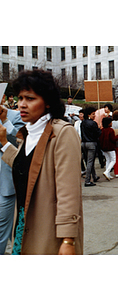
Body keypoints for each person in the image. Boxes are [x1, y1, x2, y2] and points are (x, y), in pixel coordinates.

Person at [0, 69, 83, 254]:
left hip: (48, 230)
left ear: (47, 103)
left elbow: (68, 191)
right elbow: (29, 168)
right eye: (20, 98)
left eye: (30, 99)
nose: (21, 104)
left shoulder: (62, 132)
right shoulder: (27, 132)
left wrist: (68, 240)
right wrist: (4, 142)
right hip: (22, 223)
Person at [0, 105, 25, 254]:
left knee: (3, 229)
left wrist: (5, 121)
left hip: (5, 182)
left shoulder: (15, 116)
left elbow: (21, 141)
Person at [81, 106, 101, 187]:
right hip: (91, 143)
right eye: (93, 114)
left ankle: (94, 176)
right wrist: (99, 129)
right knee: (90, 162)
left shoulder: (83, 123)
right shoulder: (93, 123)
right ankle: (87, 180)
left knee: (89, 161)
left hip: (83, 143)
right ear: (89, 114)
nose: (94, 116)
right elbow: (97, 134)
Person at [74, 109, 86, 176]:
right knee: (80, 156)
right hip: (78, 141)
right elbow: (75, 131)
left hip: (85, 140)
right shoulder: (77, 122)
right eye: (79, 114)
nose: (80, 116)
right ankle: (82, 169)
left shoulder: (86, 122)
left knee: (86, 156)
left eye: (81, 114)